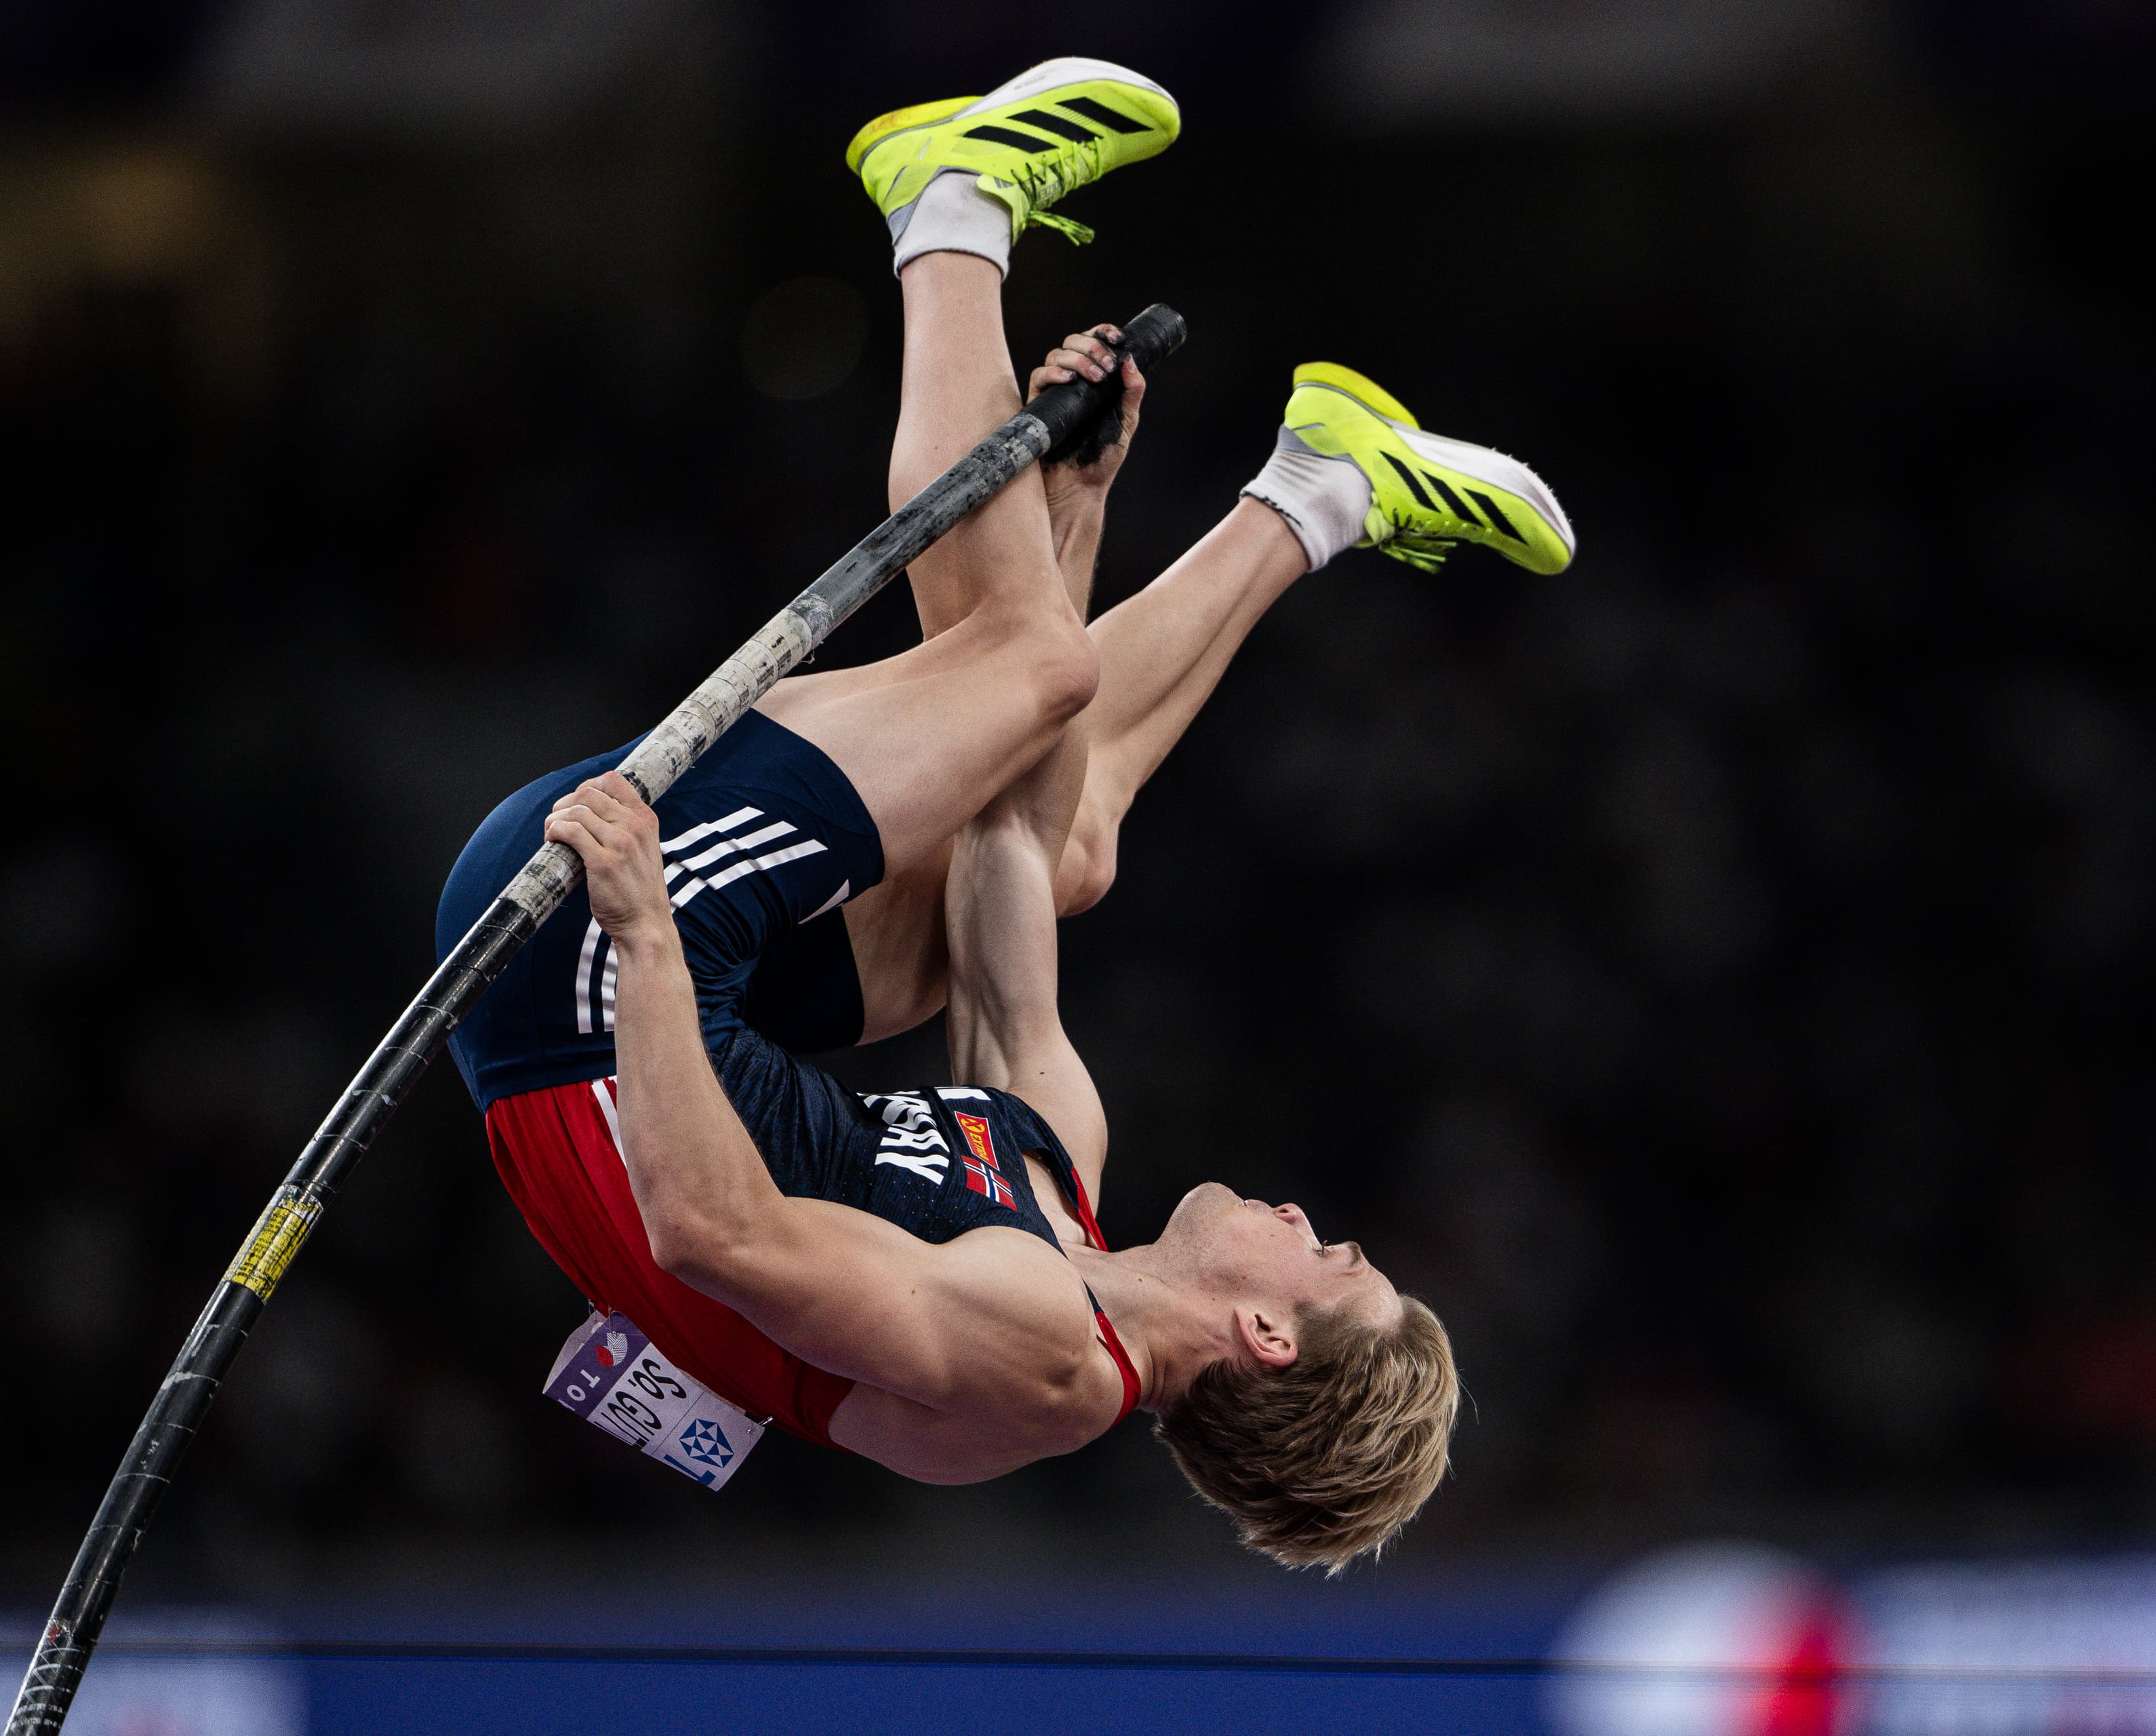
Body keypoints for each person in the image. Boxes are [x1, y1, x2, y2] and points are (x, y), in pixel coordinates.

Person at [437, 57, 1576, 1571]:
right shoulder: (1058, 1190)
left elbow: (716, 1236)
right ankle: (1316, 494)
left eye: (1332, 1258)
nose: (1314, 1215)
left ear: (1262, 1335)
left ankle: (949, 207)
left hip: (580, 971)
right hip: (668, 982)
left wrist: (642, 930)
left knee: (1028, 666)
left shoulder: (1034, 1361)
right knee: (1073, 843)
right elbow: (1004, 840)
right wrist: (1070, 498)